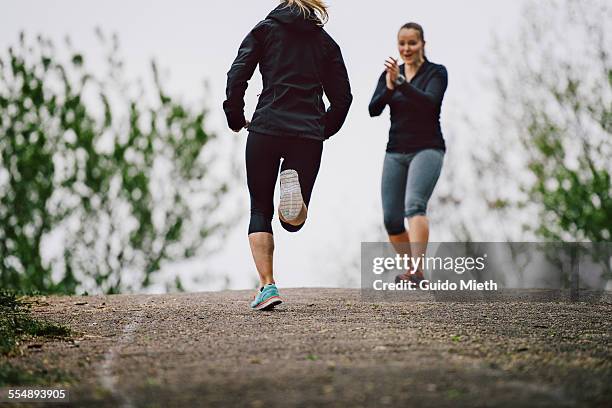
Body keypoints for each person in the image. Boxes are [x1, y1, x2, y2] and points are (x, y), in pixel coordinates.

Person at [223, 0, 352, 310]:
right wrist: (322, 129)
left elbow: (237, 74)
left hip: (266, 127)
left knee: (259, 209)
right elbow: (343, 98)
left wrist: (235, 116)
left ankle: (267, 285)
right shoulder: (325, 43)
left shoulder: (265, 30)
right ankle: (291, 198)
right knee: (293, 221)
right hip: (306, 134)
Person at [368, 22, 447, 287]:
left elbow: (429, 103)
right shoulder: (390, 74)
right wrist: (391, 86)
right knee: (391, 219)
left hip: (427, 148)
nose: (406, 48)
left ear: (423, 43)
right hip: (395, 151)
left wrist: (400, 83)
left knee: (414, 206)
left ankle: (417, 270)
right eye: (402, 43)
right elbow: (373, 109)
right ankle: (410, 271)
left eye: (412, 43)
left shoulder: (436, 73)